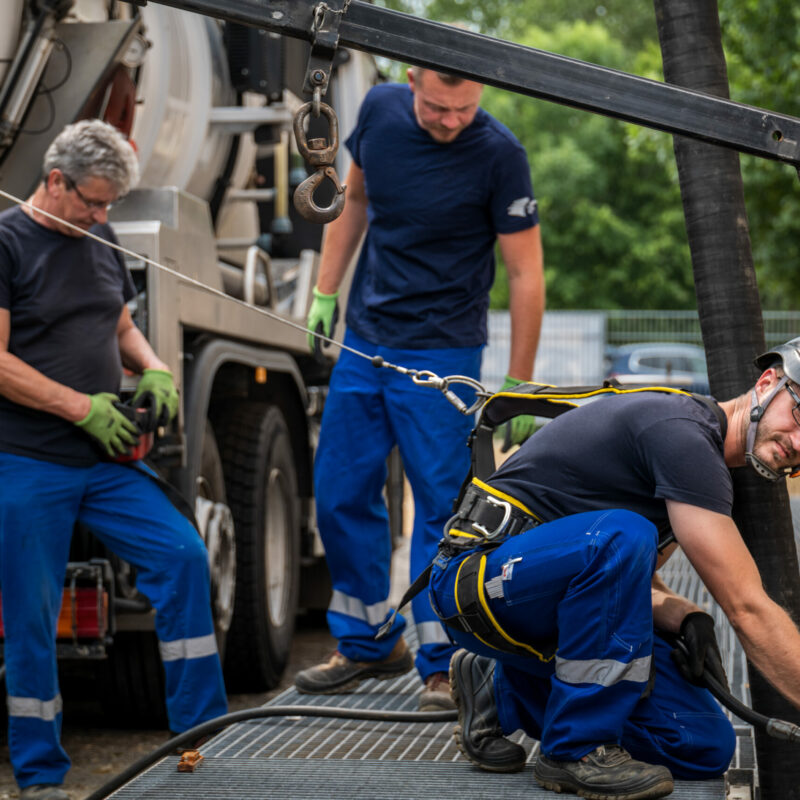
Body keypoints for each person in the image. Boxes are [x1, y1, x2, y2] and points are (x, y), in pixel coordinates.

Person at [429, 337, 800, 799]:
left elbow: (627, 581)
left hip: (542, 597)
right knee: (624, 535)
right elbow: (747, 608)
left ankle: (499, 689)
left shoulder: (701, 463)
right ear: (767, 383)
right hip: (475, 583)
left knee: (701, 745)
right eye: (799, 415)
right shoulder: (681, 434)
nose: (798, 443)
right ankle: (576, 750)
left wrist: (683, 613)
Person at [294, 67, 544, 711]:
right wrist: (326, 290)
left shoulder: (501, 155)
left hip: (444, 349)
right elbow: (354, 201)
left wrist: (519, 378)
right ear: (411, 82)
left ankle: (443, 663)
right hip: (365, 340)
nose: (451, 121)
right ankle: (367, 643)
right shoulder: (378, 112)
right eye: (437, 107)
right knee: (339, 490)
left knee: (440, 507)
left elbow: (524, 272)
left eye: (464, 109)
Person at [0, 119, 227, 800]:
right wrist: (81, 407)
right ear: (56, 180)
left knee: (183, 556)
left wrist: (154, 369)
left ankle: (199, 737)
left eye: (111, 205)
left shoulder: (99, 239)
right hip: (27, 460)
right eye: (94, 202)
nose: (103, 217)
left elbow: (119, 322)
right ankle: (41, 775)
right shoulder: (8, 243)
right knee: (32, 614)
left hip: (104, 462)